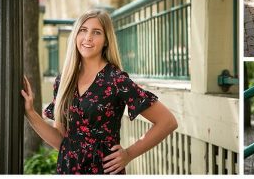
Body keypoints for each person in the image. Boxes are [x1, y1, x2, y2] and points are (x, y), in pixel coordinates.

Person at [21, 9, 178, 174]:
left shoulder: (116, 80)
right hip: (68, 169)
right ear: (75, 35)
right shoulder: (64, 81)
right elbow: (60, 140)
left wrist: (129, 154)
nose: (88, 37)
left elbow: (167, 121)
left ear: (106, 41)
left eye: (96, 32)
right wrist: (30, 112)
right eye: (83, 30)